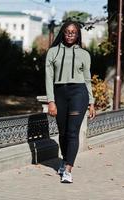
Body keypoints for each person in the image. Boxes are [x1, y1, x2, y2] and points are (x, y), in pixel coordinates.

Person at [45, 21, 96, 183]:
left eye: (73, 32)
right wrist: (51, 101)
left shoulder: (84, 54)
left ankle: (68, 168)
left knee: (73, 132)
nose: (70, 35)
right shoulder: (52, 52)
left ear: (77, 34)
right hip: (60, 94)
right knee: (63, 132)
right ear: (63, 32)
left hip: (78, 94)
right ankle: (65, 159)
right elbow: (48, 78)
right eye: (67, 32)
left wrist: (91, 102)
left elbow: (87, 80)